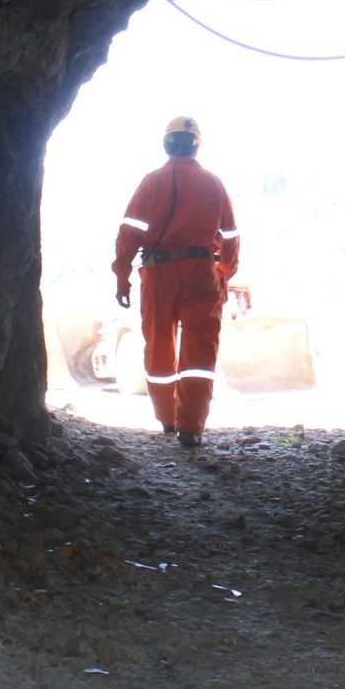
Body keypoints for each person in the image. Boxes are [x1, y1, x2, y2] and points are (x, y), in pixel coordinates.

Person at [111, 115, 241, 448]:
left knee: (158, 348)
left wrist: (122, 275)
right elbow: (229, 236)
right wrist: (224, 274)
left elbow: (130, 232)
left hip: (159, 274)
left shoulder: (151, 182)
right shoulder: (213, 183)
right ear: (197, 146)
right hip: (201, 272)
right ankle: (191, 428)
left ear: (166, 144)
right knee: (200, 351)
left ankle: (168, 420)